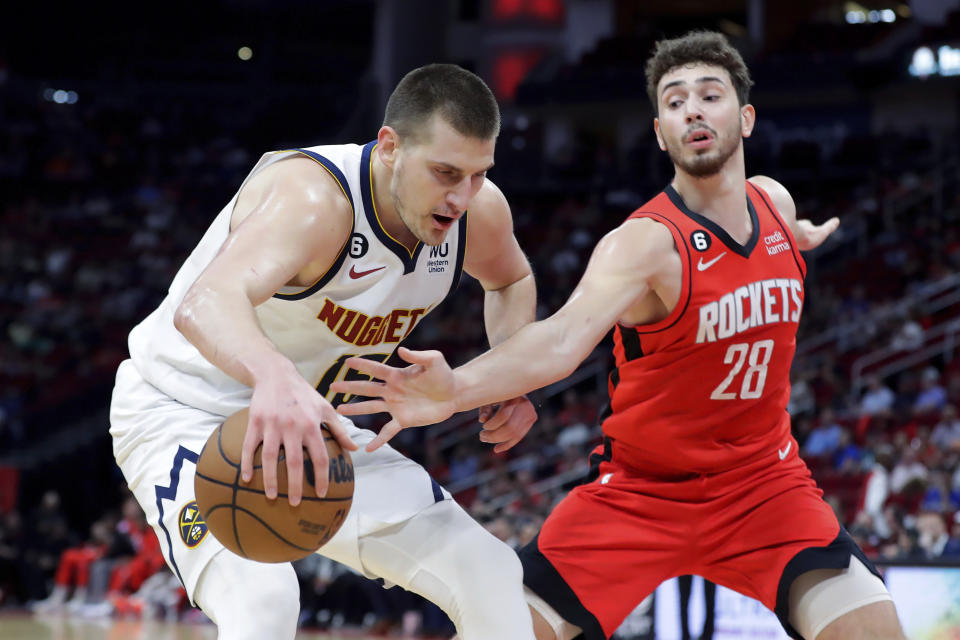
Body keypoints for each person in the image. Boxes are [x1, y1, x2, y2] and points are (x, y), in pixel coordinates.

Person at [333, 31, 906, 640]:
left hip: (765, 486)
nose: (692, 109)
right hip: (639, 495)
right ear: (661, 132)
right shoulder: (643, 244)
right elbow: (558, 343)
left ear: (745, 117)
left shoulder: (774, 203)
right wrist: (456, 390)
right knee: (500, 630)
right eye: (674, 100)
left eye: (709, 95)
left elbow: (777, 228)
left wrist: (802, 231)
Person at [109, 64, 539, 640]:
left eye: (478, 174)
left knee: (490, 573)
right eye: (444, 173)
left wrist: (510, 373)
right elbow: (205, 300)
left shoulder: (477, 213)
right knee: (263, 600)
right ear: (389, 148)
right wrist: (273, 375)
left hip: (315, 428)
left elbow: (510, 280)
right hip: (186, 411)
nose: (461, 195)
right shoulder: (314, 199)